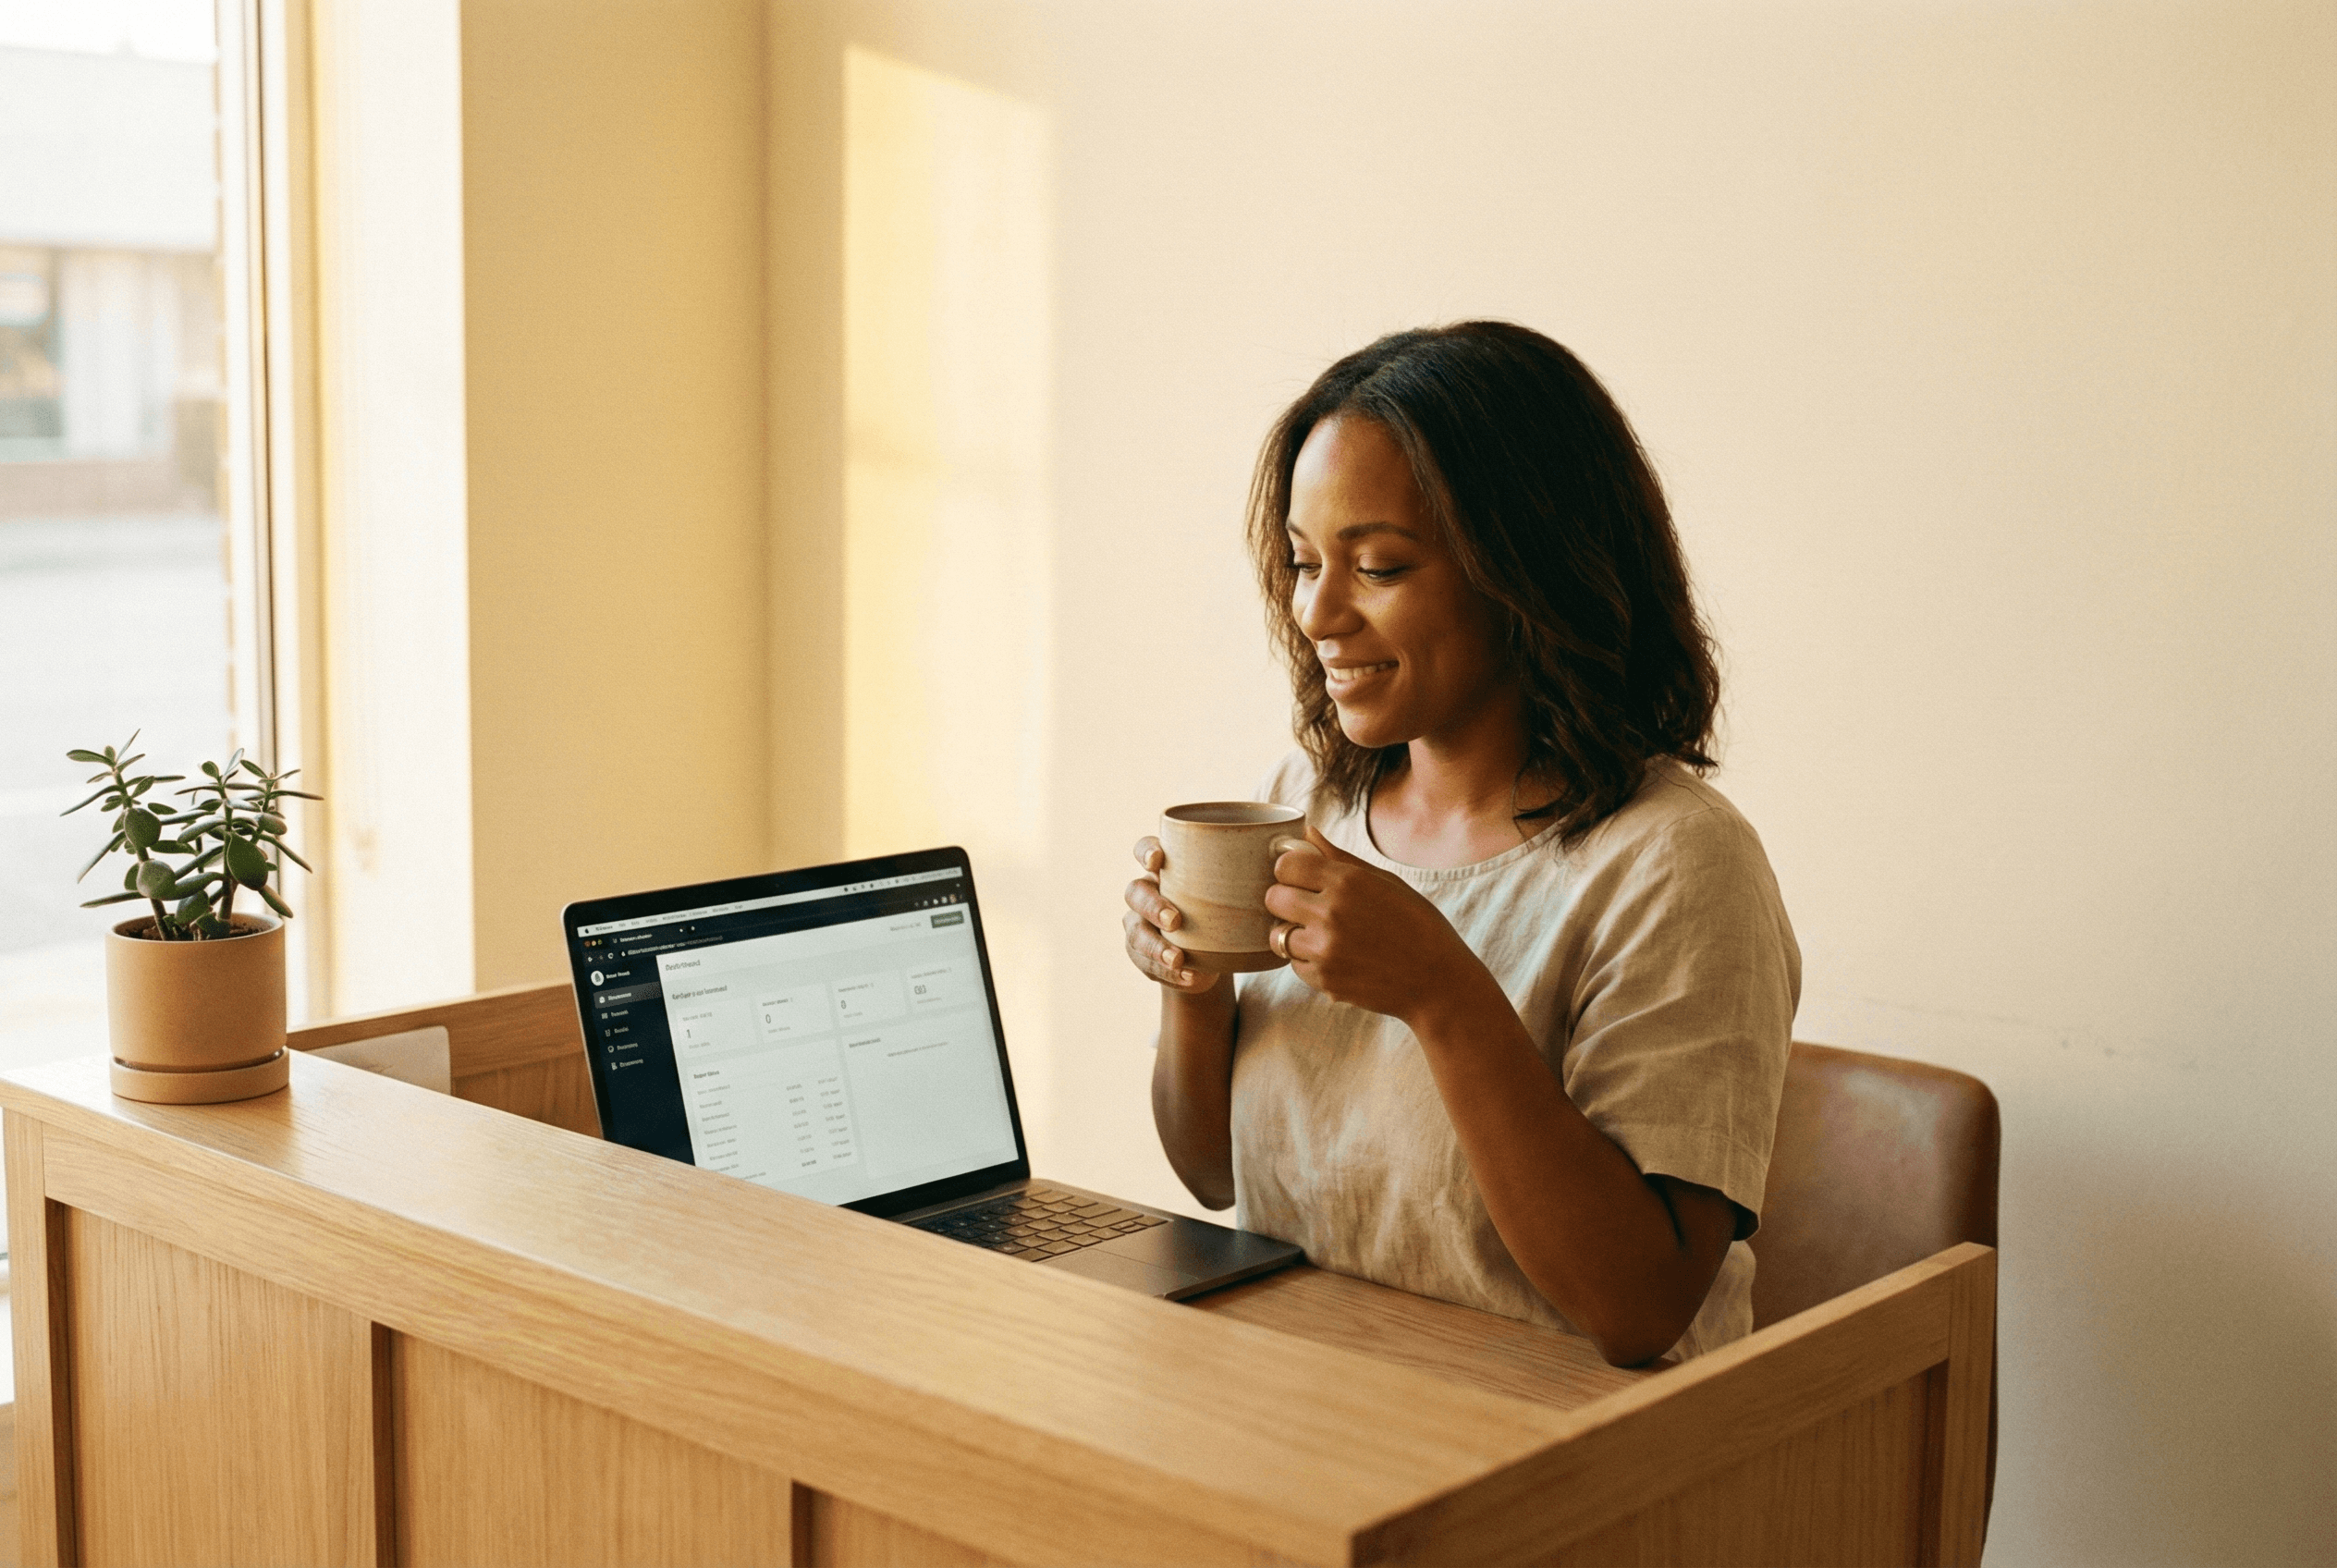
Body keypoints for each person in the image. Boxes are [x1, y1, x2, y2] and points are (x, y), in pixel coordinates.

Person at [1121, 322, 1800, 1366]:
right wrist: (1193, 986)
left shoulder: (1672, 866)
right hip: (1320, 1399)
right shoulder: (1301, 807)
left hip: (1575, 1458)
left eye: (1379, 565)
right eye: (1302, 563)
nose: (1315, 613)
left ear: (1526, 570)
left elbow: (1639, 1305)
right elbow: (1216, 1174)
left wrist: (1442, 992)